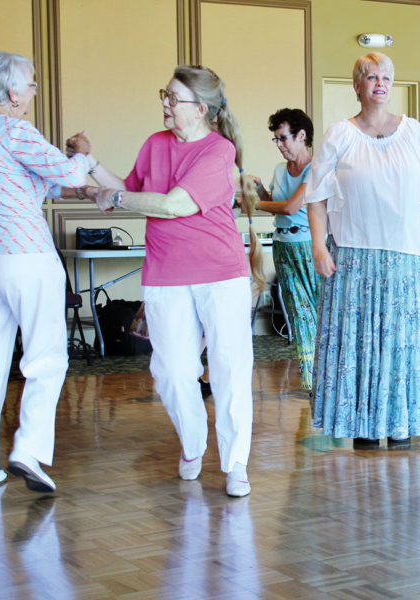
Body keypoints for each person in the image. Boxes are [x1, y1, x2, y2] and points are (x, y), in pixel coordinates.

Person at [86, 65, 263, 497]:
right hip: (165, 275)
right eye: (163, 95)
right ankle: (192, 443)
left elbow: (172, 205)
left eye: (173, 98)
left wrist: (117, 198)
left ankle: (235, 462)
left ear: (201, 109)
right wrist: (91, 168)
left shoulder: (219, 151)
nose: (165, 104)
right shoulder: (155, 143)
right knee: (171, 371)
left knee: (229, 367)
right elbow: (130, 188)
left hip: (220, 275)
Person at [305, 52, 420, 449]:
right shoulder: (339, 133)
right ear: (357, 86)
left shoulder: (414, 132)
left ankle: (400, 422)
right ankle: (363, 426)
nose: (380, 84)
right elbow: (316, 196)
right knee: (357, 345)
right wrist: (318, 245)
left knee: (402, 344)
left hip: (406, 259)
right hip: (352, 258)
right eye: (371, 77)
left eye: (386, 77)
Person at [0, 50, 95, 494]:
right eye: (32, 84)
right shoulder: (17, 130)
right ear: (13, 92)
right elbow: (70, 176)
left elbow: (35, 181)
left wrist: (69, 171)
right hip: (26, 255)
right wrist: (84, 155)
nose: (35, 91)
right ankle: (28, 449)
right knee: (46, 356)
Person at [252, 108, 321, 391]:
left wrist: (255, 204)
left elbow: (292, 207)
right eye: (276, 139)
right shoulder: (280, 170)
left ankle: (327, 375)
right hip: (283, 247)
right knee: (299, 315)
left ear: (301, 135)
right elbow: (275, 203)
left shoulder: (315, 168)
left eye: (283, 138)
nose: (279, 144)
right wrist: (259, 190)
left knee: (317, 313)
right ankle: (311, 381)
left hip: (309, 247)